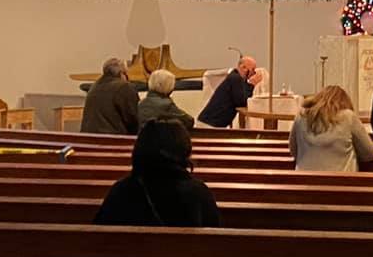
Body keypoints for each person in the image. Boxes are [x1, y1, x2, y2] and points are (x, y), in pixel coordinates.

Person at [93, 118, 221, 228]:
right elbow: (216, 241)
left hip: (131, 256)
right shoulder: (198, 193)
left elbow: (97, 238)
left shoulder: (121, 190)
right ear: (183, 150)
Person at [291, 85, 373, 173]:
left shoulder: (301, 116)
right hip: (340, 183)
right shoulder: (348, 117)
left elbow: (293, 150)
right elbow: (369, 153)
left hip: (304, 181)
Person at [80, 56, 141, 135]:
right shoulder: (124, 87)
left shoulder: (94, 87)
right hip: (112, 140)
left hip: (87, 138)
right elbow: (133, 119)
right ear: (122, 73)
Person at [197, 54, 261, 130]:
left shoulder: (236, 78)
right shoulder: (235, 78)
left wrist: (249, 85)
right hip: (210, 125)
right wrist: (251, 85)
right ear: (243, 68)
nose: (253, 73)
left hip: (212, 123)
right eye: (252, 70)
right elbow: (242, 102)